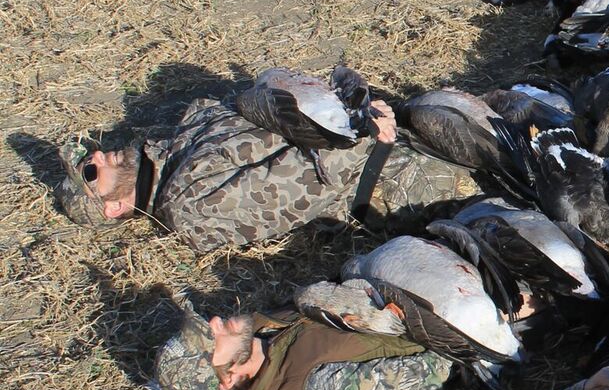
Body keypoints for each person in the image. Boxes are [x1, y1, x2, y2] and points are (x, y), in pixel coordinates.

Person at [55, 96, 479, 254]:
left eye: (89, 154)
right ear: (112, 208)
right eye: (91, 171)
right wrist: (365, 132)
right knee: (521, 188)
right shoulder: (189, 208)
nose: (98, 155)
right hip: (395, 176)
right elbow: (307, 184)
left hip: (390, 124)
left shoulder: (182, 133)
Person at [136, 306, 455, 390]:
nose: (217, 319)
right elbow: (434, 372)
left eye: (208, 326)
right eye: (213, 337)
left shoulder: (262, 326)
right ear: (228, 377)